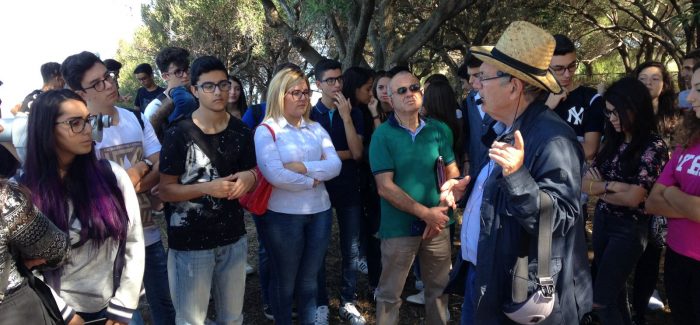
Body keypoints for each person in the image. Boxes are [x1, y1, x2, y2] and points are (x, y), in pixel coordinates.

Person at [442, 21, 593, 324]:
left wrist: (516, 175)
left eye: (483, 77)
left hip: (519, 295)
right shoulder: (506, 128)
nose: (476, 85)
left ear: (513, 85)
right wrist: (469, 189)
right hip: (489, 277)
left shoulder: (553, 139)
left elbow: (561, 218)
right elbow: (506, 194)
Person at [61, 51, 175, 325]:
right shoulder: (82, 134)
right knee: (126, 318)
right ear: (79, 92)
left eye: (108, 77)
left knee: (165, 306)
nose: (110, 84)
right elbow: (89, 189)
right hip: (106, 248)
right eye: (97, 83)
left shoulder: (135, 118)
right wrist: (137, 175)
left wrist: (131, 179)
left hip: (148, 233)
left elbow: (161, 163)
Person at [21, 89, 145, 324]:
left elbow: (134, 240)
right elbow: (25, 266)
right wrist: (65, 314)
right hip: (58, 312)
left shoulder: (111, 176)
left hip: (115, 307)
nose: (88, 129)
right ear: (46, 129)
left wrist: (124, 304)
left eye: (88, 120)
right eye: (75, 123)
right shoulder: (25, 193)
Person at [158, 55, 256, 325]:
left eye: (223, 84)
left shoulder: (241, 131)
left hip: (233, 239)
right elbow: (165, 190)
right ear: (194, 90)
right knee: (191, 320)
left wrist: (250, 176)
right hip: (190, 245)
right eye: (208, 86)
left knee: (232, 318)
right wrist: (208, 188)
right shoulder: (178, 133)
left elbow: (253, 171)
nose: (218, 92)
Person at [369, 70, 458, 325]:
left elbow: (451, 171)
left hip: (438, 224)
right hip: (399, 228)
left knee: (439, 291)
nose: (410, 93)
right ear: (390, 99)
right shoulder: (382, 137)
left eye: (414, 87)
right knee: (389, 295)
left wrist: (440, 210)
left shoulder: (439, 130)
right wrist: (425, 214)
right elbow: (385, 187)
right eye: (402, 91)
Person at [254, 67, 341, 325]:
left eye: (305, 92)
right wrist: (315, 177)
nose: (303, 98)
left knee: (309, 280)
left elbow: (335, 166)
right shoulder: (266, 130)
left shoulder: (315, 128)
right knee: (286, 281)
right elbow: (275, 175)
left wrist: (302, 169)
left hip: (320, 212)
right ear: (280, 95)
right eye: (295, 92)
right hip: (282, 217)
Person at [582, 77, 668, 324]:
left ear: (636, 109)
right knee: (616, 295)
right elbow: (584, 184)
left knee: (601, 300)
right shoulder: (613, 141)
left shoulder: (654, 146)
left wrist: (600, 188)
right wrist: (613, 186)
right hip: (603, 221)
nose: (612, 119)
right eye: (609, 113)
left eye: (617, 112)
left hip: (629, 230)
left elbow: (634, 198)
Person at [309, 60, 366, 325]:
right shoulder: (308, 115)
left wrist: (345, 118)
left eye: (339, 79)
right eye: (330, 80)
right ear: (318, 84)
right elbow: (309, 157)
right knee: (317, 248)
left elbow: (357, 153)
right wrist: (331, 158)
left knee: (351, 248)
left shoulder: (353, 113)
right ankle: (320, 302)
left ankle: (348, 301)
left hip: (348, 188)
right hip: (318, 190)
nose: (336, 85)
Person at [645, 61, 700, 325]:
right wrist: (688, 205)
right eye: (692, 88)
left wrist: (673, 194)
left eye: (699, 89)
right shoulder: (687, 141)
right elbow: (653, 201)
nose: (690, 96)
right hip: (677, 256)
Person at [630, 60, 680, 323]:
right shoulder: (628, 113)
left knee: (652, 251)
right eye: (643, 78)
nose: (649, 83)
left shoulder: (677, 117)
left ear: (665, 84)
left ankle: (642, 302)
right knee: (628, 248)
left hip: (661, 196)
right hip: (630, 192)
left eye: (655, 79)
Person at [545, 35, 605, 162]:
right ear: (546, 67)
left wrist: (543, 151)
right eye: (559, 69)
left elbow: (590, 150)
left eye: (572, 66)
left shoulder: (591, 99)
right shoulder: (536, 96)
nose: (567, 74)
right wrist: (546, 108)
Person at [145, 47, 197, 132]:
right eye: (178, 72)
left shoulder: (198, 94)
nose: (185, 75)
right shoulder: (155, 107)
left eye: (186, 69)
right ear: (165, 76)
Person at [457, 54, 492, 176]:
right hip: (476, 165)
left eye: (477, 75)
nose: (471, 81)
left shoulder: (504, 101)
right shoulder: (468, 102)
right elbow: (467, 132)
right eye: (470, 76)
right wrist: (467, 159)